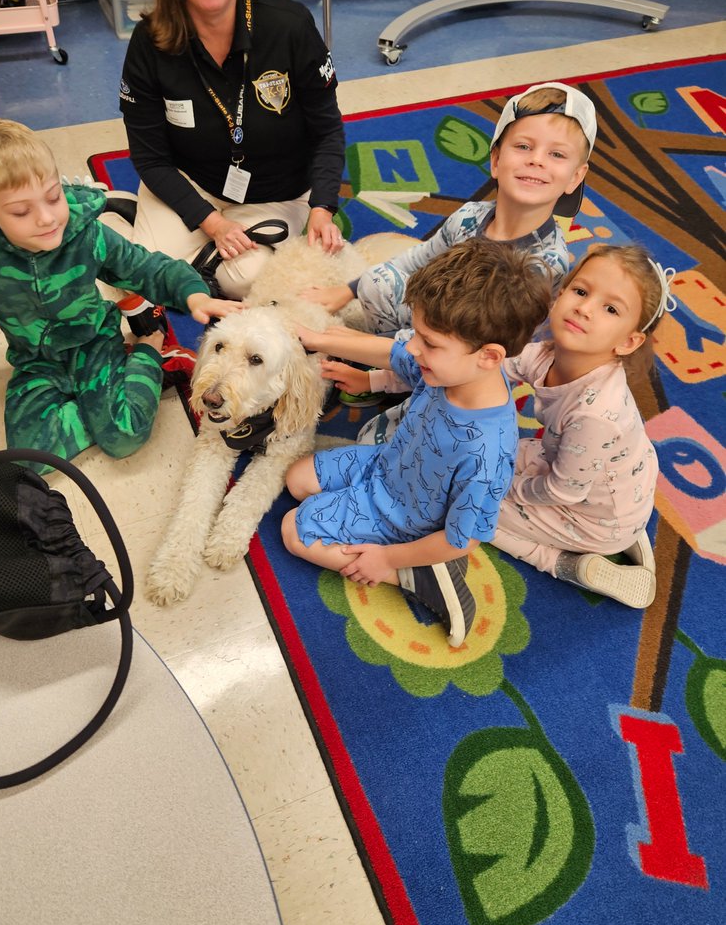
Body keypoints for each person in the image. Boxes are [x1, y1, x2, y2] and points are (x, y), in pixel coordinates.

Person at [0, 119, 241, 471]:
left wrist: (193, 294)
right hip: (35, 362)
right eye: (21, 211)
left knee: (124, 439)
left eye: (54, 196)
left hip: (96, 345)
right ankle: (102, 406)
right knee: (27, 462)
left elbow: (146, 268)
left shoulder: (86, 233)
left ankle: (147, 352)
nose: (46, 218)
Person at [281, 239, 552, 648]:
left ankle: (419, 575)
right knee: (297, 478)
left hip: (404, 519)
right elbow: (392, 353)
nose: (414, 347)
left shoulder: (487, 451)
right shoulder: (449, 368)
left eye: (429, 342)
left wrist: (387, 560)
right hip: (388, 466)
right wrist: (317, 339)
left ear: (490, 356)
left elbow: (464, 539)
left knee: (292, 531)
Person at [304, 81, 596, 441]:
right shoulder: (471, 215)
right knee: (378, 280)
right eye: (523, 146)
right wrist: (346, 291)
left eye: (557, 155)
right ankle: (397, 375)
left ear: (575, 177)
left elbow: (473, 345)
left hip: (471, 363)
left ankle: (403, 377)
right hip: (431, 327)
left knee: (374, 440)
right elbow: (417, 259)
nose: (536, 159)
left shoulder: (544, 264)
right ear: (495, 159)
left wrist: (333, 340)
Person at [119, 0, 345, 300]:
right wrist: (212, 223)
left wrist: (322, 207)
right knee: (145, 277)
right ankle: (132, 218)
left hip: (278, 194)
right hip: (191, 184)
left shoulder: (290, 25)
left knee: (246, 278)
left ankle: (195, 259)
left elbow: (328, 131)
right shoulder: (148, 42)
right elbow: (150, 157)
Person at [492, 243, 673, 609]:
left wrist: (505, 488)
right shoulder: (547, 352)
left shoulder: (596, 414)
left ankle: (564, 562)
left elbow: (562, 492)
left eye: (609, 309)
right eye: (580, 291)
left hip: (589, 509)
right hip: (604, 477)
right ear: (561, 295)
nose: (584, 309)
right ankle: (625, 528)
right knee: (502, 455)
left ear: (628, 341)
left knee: (472, 503)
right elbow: (494, 367)